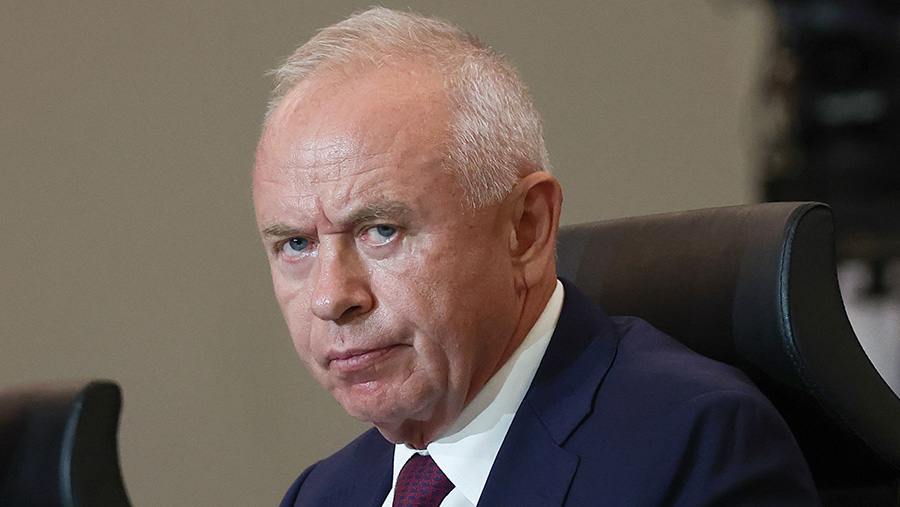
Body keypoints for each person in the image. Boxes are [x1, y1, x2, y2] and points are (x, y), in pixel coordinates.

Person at [252, 7, 820, 506]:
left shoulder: (695, 450)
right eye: (296, 244)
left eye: (381, 231)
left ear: (525, 229)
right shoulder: (322, 495)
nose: (331, 298)